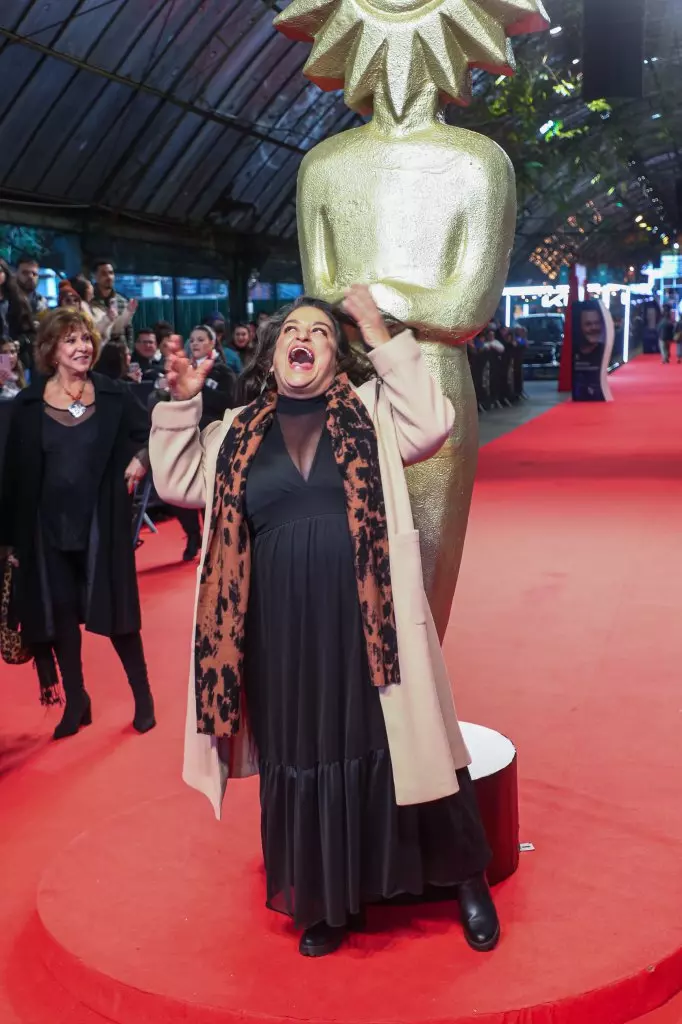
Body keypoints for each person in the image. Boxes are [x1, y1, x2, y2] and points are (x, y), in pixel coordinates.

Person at [150, 286, 498, 958]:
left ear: (337, 358)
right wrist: (182, 400)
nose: (302, 338)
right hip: (278, 631)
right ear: (275, 352)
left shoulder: (369, 413)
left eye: (320, 333)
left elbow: (432, 425)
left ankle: (465, 879)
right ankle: (327, 897)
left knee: (409, 742)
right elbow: (178, 483)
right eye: (290, 331)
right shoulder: (236, 431)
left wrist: (373, 325)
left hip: (372, 620)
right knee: (303, 752)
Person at [0, 308, 156, 740]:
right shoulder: (28, 405)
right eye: (71, 340)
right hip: (44, 530)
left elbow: (151, 434)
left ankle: (143, 698)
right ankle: (77, 700)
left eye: (85, 338)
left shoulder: (112, 395)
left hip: (99, 525)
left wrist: (142, 460)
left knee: (119, 615)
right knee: (62, 619)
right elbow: (12, 476)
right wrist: (9, 543)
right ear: (52, 350)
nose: (82, 346)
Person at [91, 261, 137, 349]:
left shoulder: (122, 301)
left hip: (119, 350)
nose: (109, 277)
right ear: (95, 277)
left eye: (111, 273)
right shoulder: (90, 300)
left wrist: (129, 351)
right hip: (99, 351)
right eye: (103, 273)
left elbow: (129, 329)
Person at [0, 257, 33, 370]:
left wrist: (19, 342)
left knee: (20, 386)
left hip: (17, 355)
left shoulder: (16, 298)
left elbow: (29, 330)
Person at [15, 255, 48, 320]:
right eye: (25, 273)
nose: (30, 276)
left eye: (34, 274)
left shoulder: (42, 301)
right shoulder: (5, 298)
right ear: (15, 274)